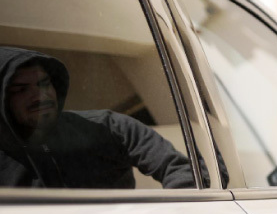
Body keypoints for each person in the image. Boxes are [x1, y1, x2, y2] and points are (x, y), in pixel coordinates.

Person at [0, 46, 198, 189]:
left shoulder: (110, 127)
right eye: (21, 90)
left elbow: (185, 171)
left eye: (44, 84)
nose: (40, 96)